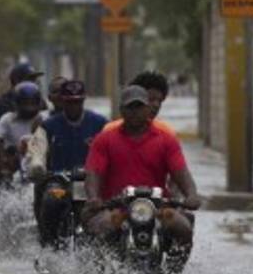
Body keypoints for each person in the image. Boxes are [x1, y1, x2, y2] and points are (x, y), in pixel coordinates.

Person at [82, 85, 201, 257]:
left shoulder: (166, 139)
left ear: (148, 109)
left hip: (158, 208)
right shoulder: (104, 140)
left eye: (139, 106)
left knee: (182, 228)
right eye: (130, 107)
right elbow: (93, 173)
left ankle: (172, 273)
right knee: (101, 227)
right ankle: (101, 269)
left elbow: (181, 172)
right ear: (121, 110)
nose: (135, 112)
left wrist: (191, 195)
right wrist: (93, 197)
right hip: (118, 208)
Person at [38, 79, 107, 246]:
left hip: (91, 182)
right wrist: (36, 166)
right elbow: (37, 152)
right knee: (51, 199)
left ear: (83, 100)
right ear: (62, 101)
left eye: (78, 102)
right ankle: (49, 245)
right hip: (60, 182)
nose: (74, 106)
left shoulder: (100, 123)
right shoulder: (47, 126)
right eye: (69, 102)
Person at [0, 82, 48, 204]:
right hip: (13, 162)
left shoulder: (45, 119)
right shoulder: (7, 119)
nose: (29, 106)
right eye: (25, 102)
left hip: (39, 159)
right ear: (17, 103)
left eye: (32, 102)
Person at [102, 70, 175, 135]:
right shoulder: (110, 131)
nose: (156, 105)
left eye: (160, 101)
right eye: (151, 99)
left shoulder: (166, 132)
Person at [0, 61, 43, 138]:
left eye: (34, 80)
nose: (34, 83)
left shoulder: (40, 102)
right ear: (16, 80)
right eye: (30, 79)